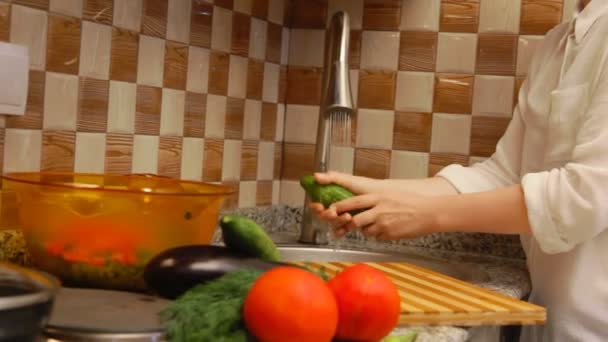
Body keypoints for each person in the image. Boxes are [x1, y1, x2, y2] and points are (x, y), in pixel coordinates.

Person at [309, 0, 608, 341]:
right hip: (552, 326)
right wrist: (380, 192)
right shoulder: (555, 44)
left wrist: (427, 215)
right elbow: (503, 174)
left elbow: (584, 196)